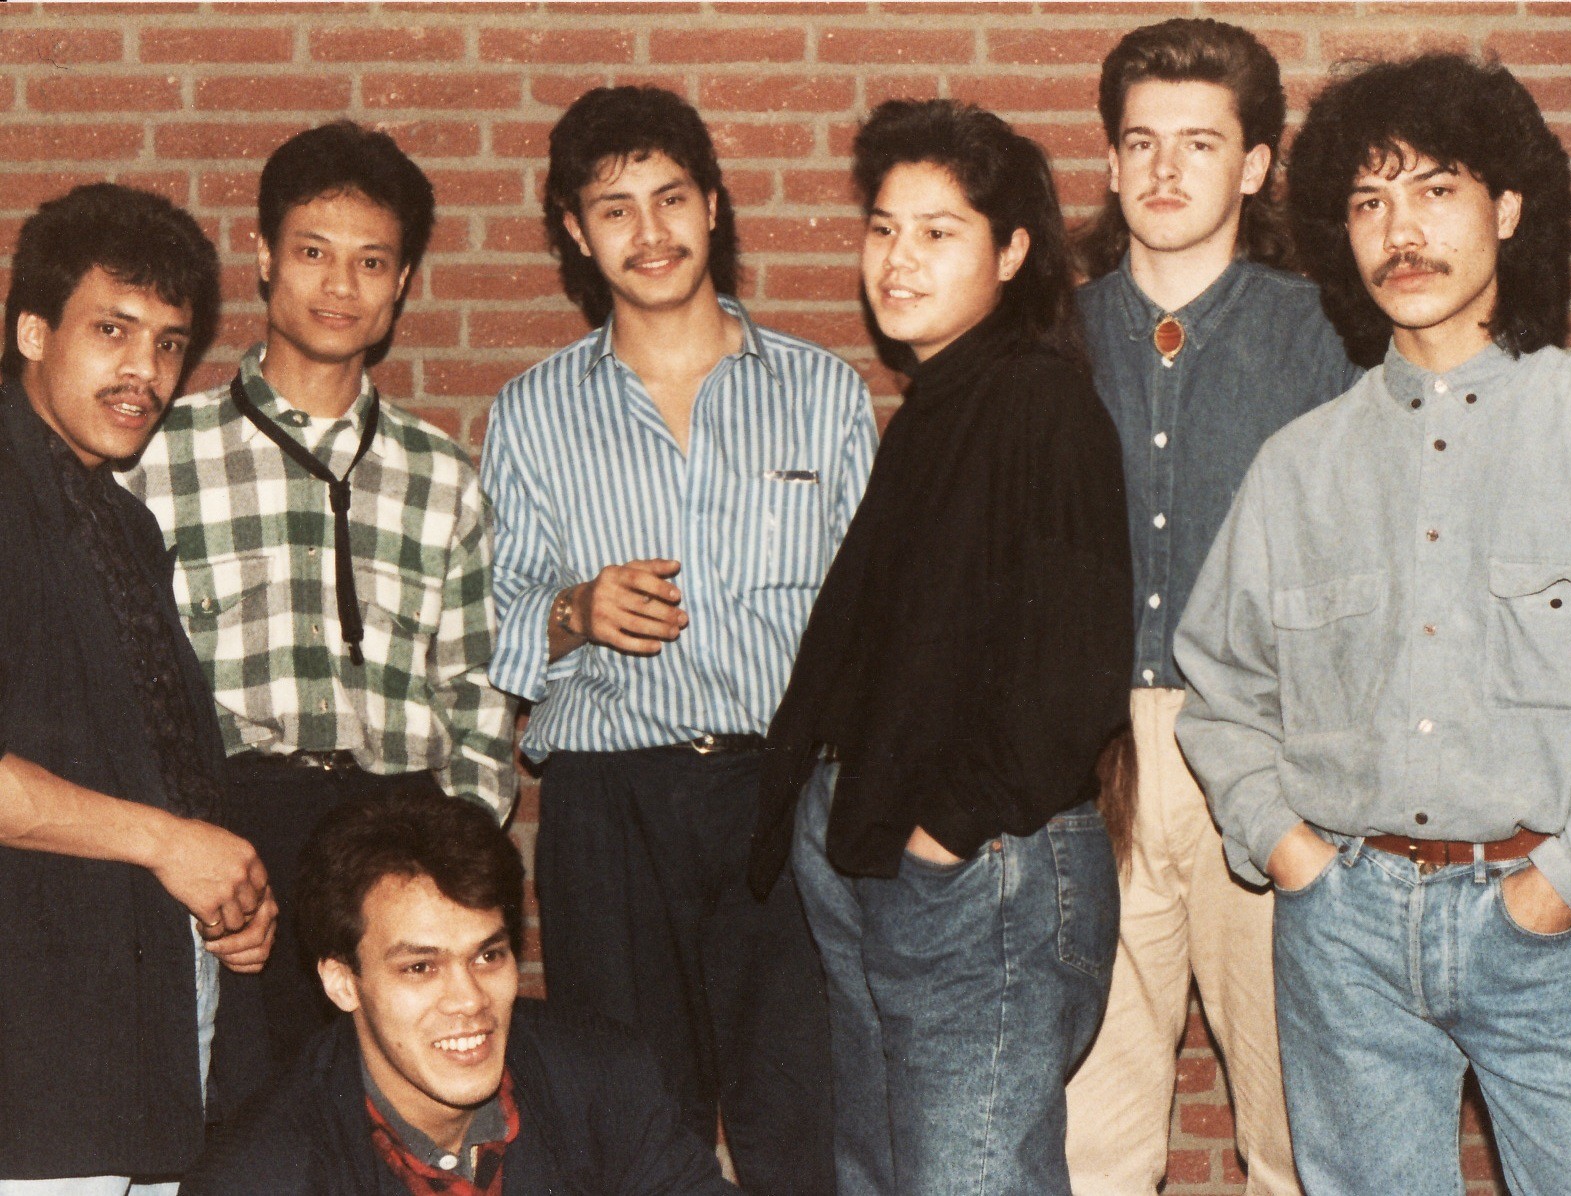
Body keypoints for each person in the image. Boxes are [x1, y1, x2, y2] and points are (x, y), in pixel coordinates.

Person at [1174, 53, 1571, 1195]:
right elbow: (1221, 694)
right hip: (1341, 934)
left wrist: (1561, 886)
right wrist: (1293, 854)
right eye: (1367, 201)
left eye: (1435, 189)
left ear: (1506, 207)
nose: (1400, 230)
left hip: (1540, 924)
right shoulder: (1298, 469)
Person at [482, 85, 875, 1195]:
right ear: (575, 230)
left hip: (781, 796)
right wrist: (575, 610)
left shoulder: (823, 394)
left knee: (804, 1126)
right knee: (633, 1129)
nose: (648, 233)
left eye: (669, 199)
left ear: (713, 203)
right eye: (614, 209)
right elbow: (490, 620)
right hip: (611, 809)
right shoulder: (532, 413)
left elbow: (876, 620)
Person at [749, 98, 1131, 1195]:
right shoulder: (940, 401)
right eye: (883, 228)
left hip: (975, 865)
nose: (898, 259)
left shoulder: (1037, 401)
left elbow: (1074, 672)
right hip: (879, 844)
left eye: (937, 231)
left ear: (1010, 253)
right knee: (882, 1175)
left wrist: (946, 834)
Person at [125, 121, 517, 1070]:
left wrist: (451, 860)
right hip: (233, 827)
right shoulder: (161, 455)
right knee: (241, 1104)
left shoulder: (442, 475)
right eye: (313, 252)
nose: (341, 286)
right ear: (263, 256)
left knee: (393, 1106)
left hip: (397, 827)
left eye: (371, 262)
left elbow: (476, 692)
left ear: (402, 281)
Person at [1064, 20, 1358, 1195]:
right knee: (1092, 1125)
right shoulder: (1055, 335)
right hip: (1093, 758)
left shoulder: (1326, 337)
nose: (1165, 169)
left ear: (1253, 165)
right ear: (1110, 160)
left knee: (1296, 1121)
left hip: (1264, 747)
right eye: (1141, 141)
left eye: (1200, 142)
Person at [0, 183, 275, 1192]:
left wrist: (226, 896)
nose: (145, 372)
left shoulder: (123, 523)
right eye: (111, 330)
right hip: (30, 1052)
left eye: (168, 344)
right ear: (33, 331)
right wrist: (170, 843)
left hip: (144, 1020)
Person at [182, 788, 739, 1195]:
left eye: (487, 956)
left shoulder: (603, 1079)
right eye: (421, 968)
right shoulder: (262, 1175)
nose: (470, 999)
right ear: (343, 982)